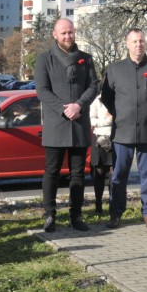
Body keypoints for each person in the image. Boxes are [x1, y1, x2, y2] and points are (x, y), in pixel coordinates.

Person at [100, 28, 147, 229]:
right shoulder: (114, 69)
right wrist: (120, 112)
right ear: (127, 43)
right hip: (122, 132)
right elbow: (106, 96)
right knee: (119, 174)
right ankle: (116, 213)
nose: (139, 45)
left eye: (141, 41)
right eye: (134, 41)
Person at [35, 18, 98, 232]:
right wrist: (64, 109)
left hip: (79, 123)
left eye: (70, 32)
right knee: (51, 171)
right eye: (63, 33)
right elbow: (42, 90)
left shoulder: (86, 59)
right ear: (55, 34)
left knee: (78, 173)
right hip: (56, 123)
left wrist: (79, 105)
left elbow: (93, 86)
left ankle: (76, 215)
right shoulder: (44, 59)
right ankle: (50, 215)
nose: (68, 36)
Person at [88, 92, 113, 215]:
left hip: (115, 138)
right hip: (99, 139)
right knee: (99, 173)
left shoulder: (118, 97)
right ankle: (98, 205)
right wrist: (107, 119)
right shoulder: (96, 101)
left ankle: (114, 205)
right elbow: (92, 120)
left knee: (114, 174)